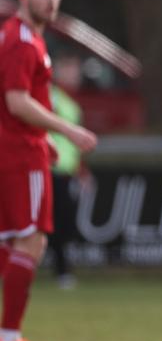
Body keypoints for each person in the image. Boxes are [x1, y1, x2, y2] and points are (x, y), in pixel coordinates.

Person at [0, 0, 97, 341]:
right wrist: (66, 130)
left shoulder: (24, 38)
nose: (52, 0)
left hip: (21, 147)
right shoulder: (22, 41)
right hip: (21, 154)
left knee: (12, 241)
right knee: (33, 239)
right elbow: (16, 101)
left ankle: (8, 336)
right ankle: (9, 338)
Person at [48, 55, 87, 290]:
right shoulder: (50, 97)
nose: (75, 75)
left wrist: (81, 170)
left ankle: (60, 269)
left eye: (76, 70)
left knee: (64, 222)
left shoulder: (71, 102)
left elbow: (72, 143)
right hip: (49, 168)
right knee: (54, 222)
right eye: (70, 69)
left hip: (66, 171)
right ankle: (61, 271)